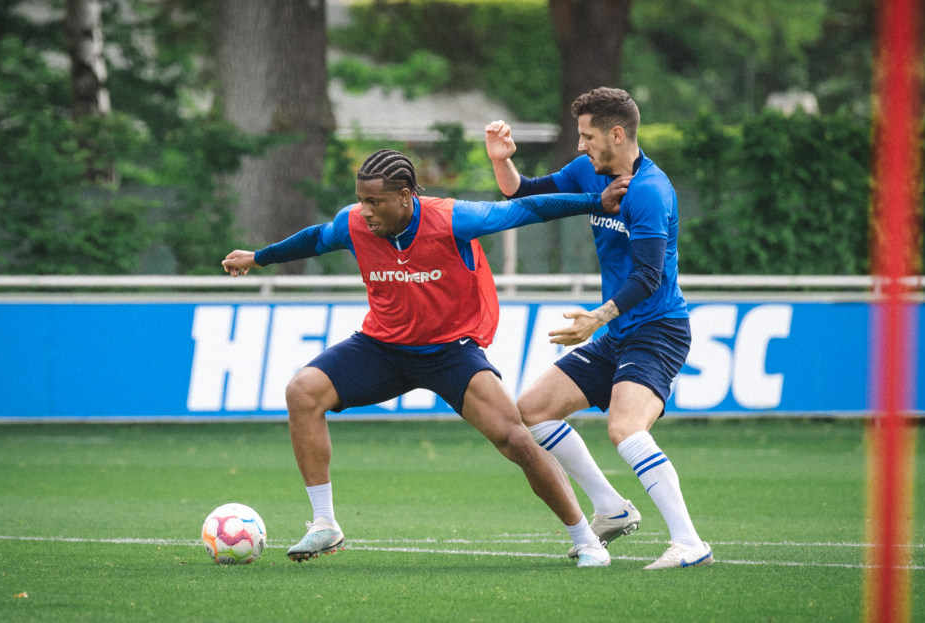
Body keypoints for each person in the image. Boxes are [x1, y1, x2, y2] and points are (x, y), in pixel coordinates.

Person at [222, 149, 630, 568]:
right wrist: (259, 257)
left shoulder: (453, 218)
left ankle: (587, 541)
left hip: (450, 351)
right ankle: (324, 522)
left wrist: (593, 202)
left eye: (374, 202)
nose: (364, 212)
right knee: (302, 392)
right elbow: (316, 237)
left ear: (404, 196)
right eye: (361, 200)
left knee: (517, 440)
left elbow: (528, 208)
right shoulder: (354, 223)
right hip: (382, 347)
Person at [484, 87, 714, 570]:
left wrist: (598, 317)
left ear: (617, 133)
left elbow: (648, 278)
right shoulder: (588, 171)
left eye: (588, 135)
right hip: (618, 330)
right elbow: (522, 193)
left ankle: (690, 542)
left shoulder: (650, 191)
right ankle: (611, 507)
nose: (581, 144)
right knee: (534, 410)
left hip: (658, 329)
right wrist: (502, 161)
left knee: (625, 428)